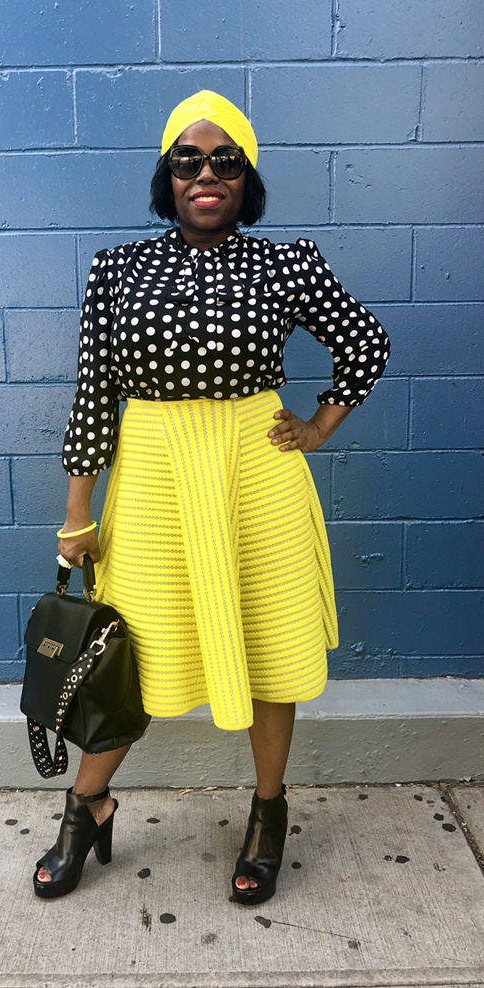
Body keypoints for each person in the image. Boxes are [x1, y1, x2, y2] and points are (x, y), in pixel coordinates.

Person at [33, 91, 390, 903]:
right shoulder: (117, 269)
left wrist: (318, 427)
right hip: (152, 480)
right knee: (130, 654)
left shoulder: (287, 262)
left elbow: (365, 342)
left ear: (245, 178)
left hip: (256, 479)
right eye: (188, 160)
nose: (206, 174)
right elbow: (94, 397)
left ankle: (268, 813)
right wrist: (77, 515)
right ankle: (88, 804)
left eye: (225, 161)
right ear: (167, 177)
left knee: (269, 646)